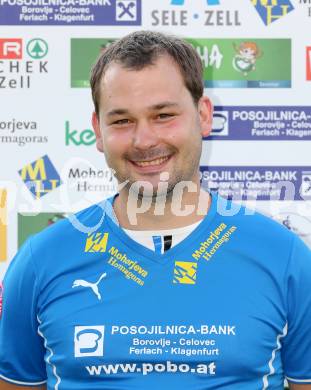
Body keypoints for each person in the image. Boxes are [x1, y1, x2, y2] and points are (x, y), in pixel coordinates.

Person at [0, 31, 311, 390]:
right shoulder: (40, 262)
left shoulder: (284, 257)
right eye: (121, 121)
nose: (144, 140)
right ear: (98, 131)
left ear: (204, 115)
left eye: (163, 115)